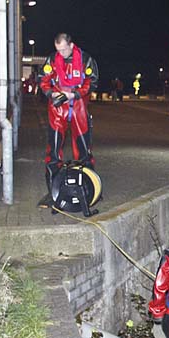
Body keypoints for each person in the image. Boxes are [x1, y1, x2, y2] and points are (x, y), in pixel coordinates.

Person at [37, 33, 99, 208]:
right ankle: (53, 191)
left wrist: (75, 94)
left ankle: (88, 188)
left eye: (64, 49)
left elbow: (92, 81)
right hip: (57, 108)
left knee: (83, 150)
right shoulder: (52, 60)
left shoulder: (86, 59)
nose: (62, 53)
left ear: (71, 45)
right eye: (58, 50)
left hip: (78, 106)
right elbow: (43, 79)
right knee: (53, 150)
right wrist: (51, 93)